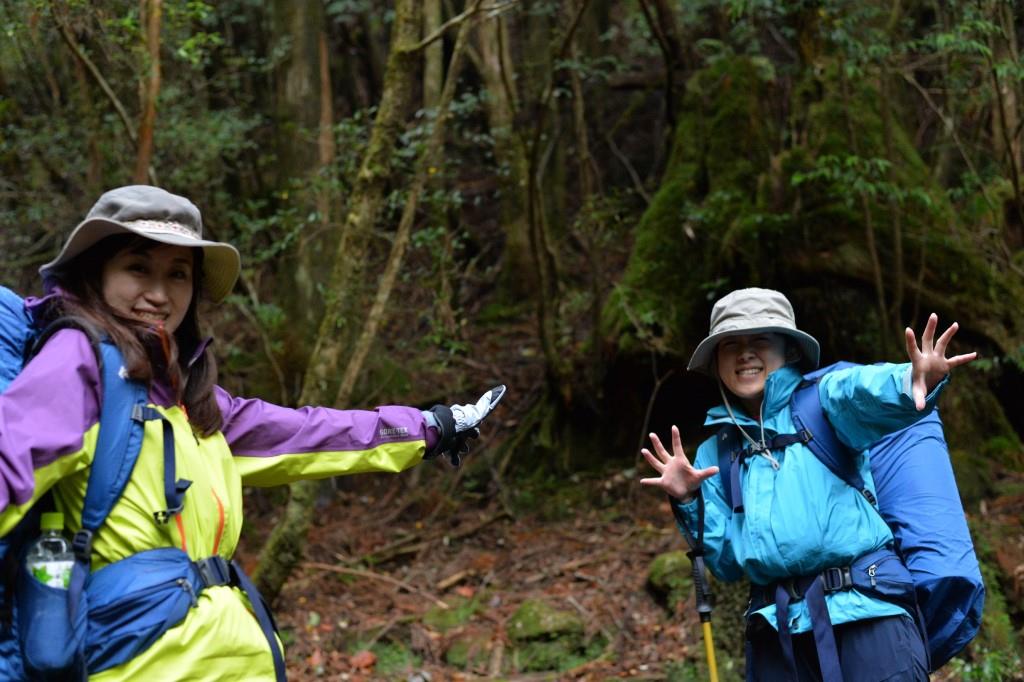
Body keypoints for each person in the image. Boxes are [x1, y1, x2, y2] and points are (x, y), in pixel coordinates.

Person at [0, 185, 503, 680]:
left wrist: (428, 427)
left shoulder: (187, 397)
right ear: (96, 272)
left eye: (178, 274)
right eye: (138, 268)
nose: (159, 293)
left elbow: (306, 434)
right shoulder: (78, 361)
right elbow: (10, 459)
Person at [639, 287, 976, 682]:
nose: (745, 353)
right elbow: (727, 564)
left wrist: (911, 379)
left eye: (760, 340)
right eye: (730, 344)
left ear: (791, 352)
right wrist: (690, 499)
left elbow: (864, 392)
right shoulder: (716, 454)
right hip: (776, 635)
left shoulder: (823, 402)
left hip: (868, 616)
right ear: (716, 362)